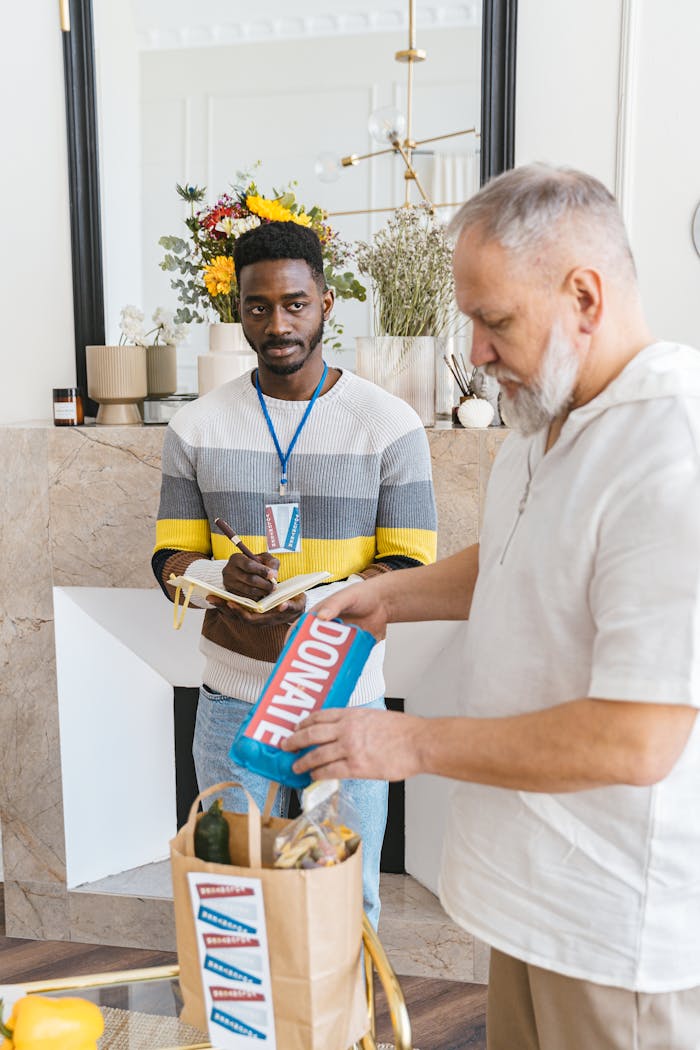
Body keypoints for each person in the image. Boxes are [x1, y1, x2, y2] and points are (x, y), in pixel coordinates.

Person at [283, 165, 700, 1049]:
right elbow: (527, 557)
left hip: (614, 931)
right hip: (533, 897)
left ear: (584, 295)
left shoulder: (673, 457)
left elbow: (638, 739)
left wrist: (410, 741)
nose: (472, 350)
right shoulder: (544, 412)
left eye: (493, 320)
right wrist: (393, 594)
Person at [152, 220, 437, 928]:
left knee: (347, 904)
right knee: (227, 900)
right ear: (238, 309)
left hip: (344, 701)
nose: (277, 323)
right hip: (230, 701)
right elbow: (170, 560)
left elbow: (408, 565)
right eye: (257, 306)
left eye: (295, 304)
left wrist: (316, 604)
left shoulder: (389, 424)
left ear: (327, 303)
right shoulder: (196, 427)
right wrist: (224, 574)